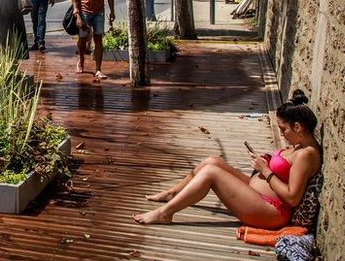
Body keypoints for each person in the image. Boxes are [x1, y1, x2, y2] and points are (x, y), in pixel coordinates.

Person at [134, 90, 322, 227]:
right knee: (212, 161)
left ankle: (165, 213)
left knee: (211, 173)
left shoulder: (306, 155)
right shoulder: (300, 145)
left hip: (272, 211)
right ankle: (172, 194)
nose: (282, 134)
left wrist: (266, 170)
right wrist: (267, 161)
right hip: (258, 193)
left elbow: (292, 198)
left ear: (297, 127)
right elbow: (285, 171)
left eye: (284, 129)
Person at [71, 0, 115, 81]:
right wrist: (76, 12)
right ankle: (81, 60)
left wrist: (112, 10)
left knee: (98, 39)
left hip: (99, 12)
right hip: (84, 11)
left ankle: (98, 69)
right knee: (82, 39)